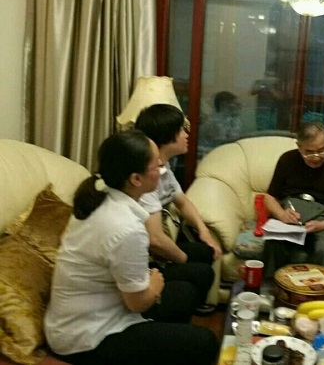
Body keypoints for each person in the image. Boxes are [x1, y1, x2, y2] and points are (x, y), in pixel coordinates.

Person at [44, 130, 218, 364]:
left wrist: (152, 282)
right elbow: (138, 303)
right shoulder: (125, 227)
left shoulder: (100, 193)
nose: (161, 166)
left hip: (103, 307)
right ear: (136, 179)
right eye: (156, 164)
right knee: (205, 342)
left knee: (185, 292)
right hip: (86, 337)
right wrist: (155, 285)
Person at [135, 104, 221, 315]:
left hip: (158, 248)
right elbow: (155, 239)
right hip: (147, 256)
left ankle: (188, 305)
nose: (187, 135)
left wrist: (204, 231)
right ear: (167, 136)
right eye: (182, 130)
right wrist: (183, 259)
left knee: (206, 250)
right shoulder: (146, 175)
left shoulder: (164, 166)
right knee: (200, 272)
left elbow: (182, 201)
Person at [262, 122, 324, 276]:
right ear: (299, 147)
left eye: (321, 150)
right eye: (309, 152)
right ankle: (273, 287)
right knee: (273, 243)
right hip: (291, 213)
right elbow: (269, 197)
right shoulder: (287, 159)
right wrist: (282, 214)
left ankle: (319, 289)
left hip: (323, 216)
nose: (316, 157)